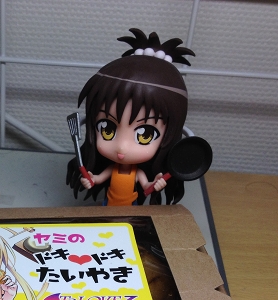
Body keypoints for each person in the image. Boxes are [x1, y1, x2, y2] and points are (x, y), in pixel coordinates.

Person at [67, 28, 194, 206]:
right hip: (108, 205)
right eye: (107, 129)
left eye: (145, 135)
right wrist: (91, 179)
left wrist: (155, 184)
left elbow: (147, 186)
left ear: (169, 136)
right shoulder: (112, 169)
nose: (122, 147)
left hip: (131, 208)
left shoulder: (138, 174)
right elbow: (98, 178)